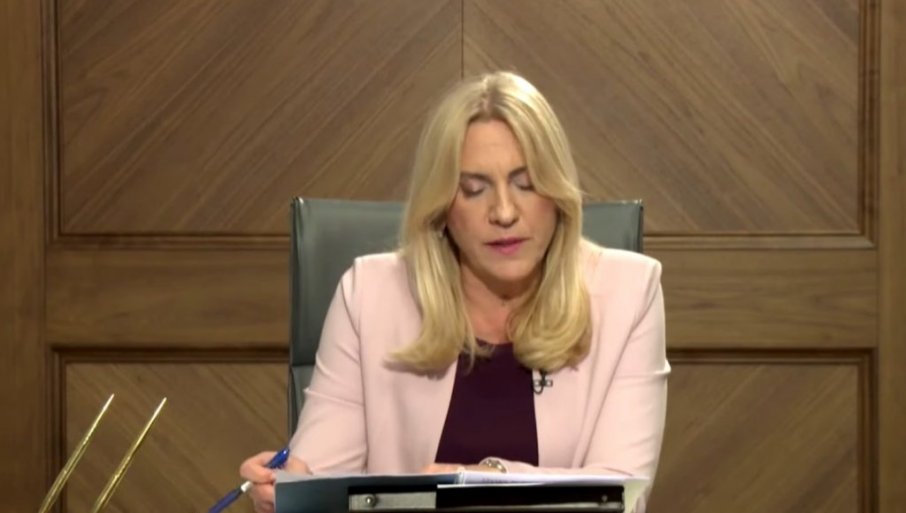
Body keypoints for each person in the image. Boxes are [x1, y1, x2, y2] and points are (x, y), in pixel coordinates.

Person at [240, 71, 669, 513]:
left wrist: (479, 481)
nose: (504, 212)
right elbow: (324, 480)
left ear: (557, 194)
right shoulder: (369, 295)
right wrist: (289, 492)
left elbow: (622, 495)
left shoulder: (629, 293)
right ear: (442, 205)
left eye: (526, 184)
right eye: (474, 190)